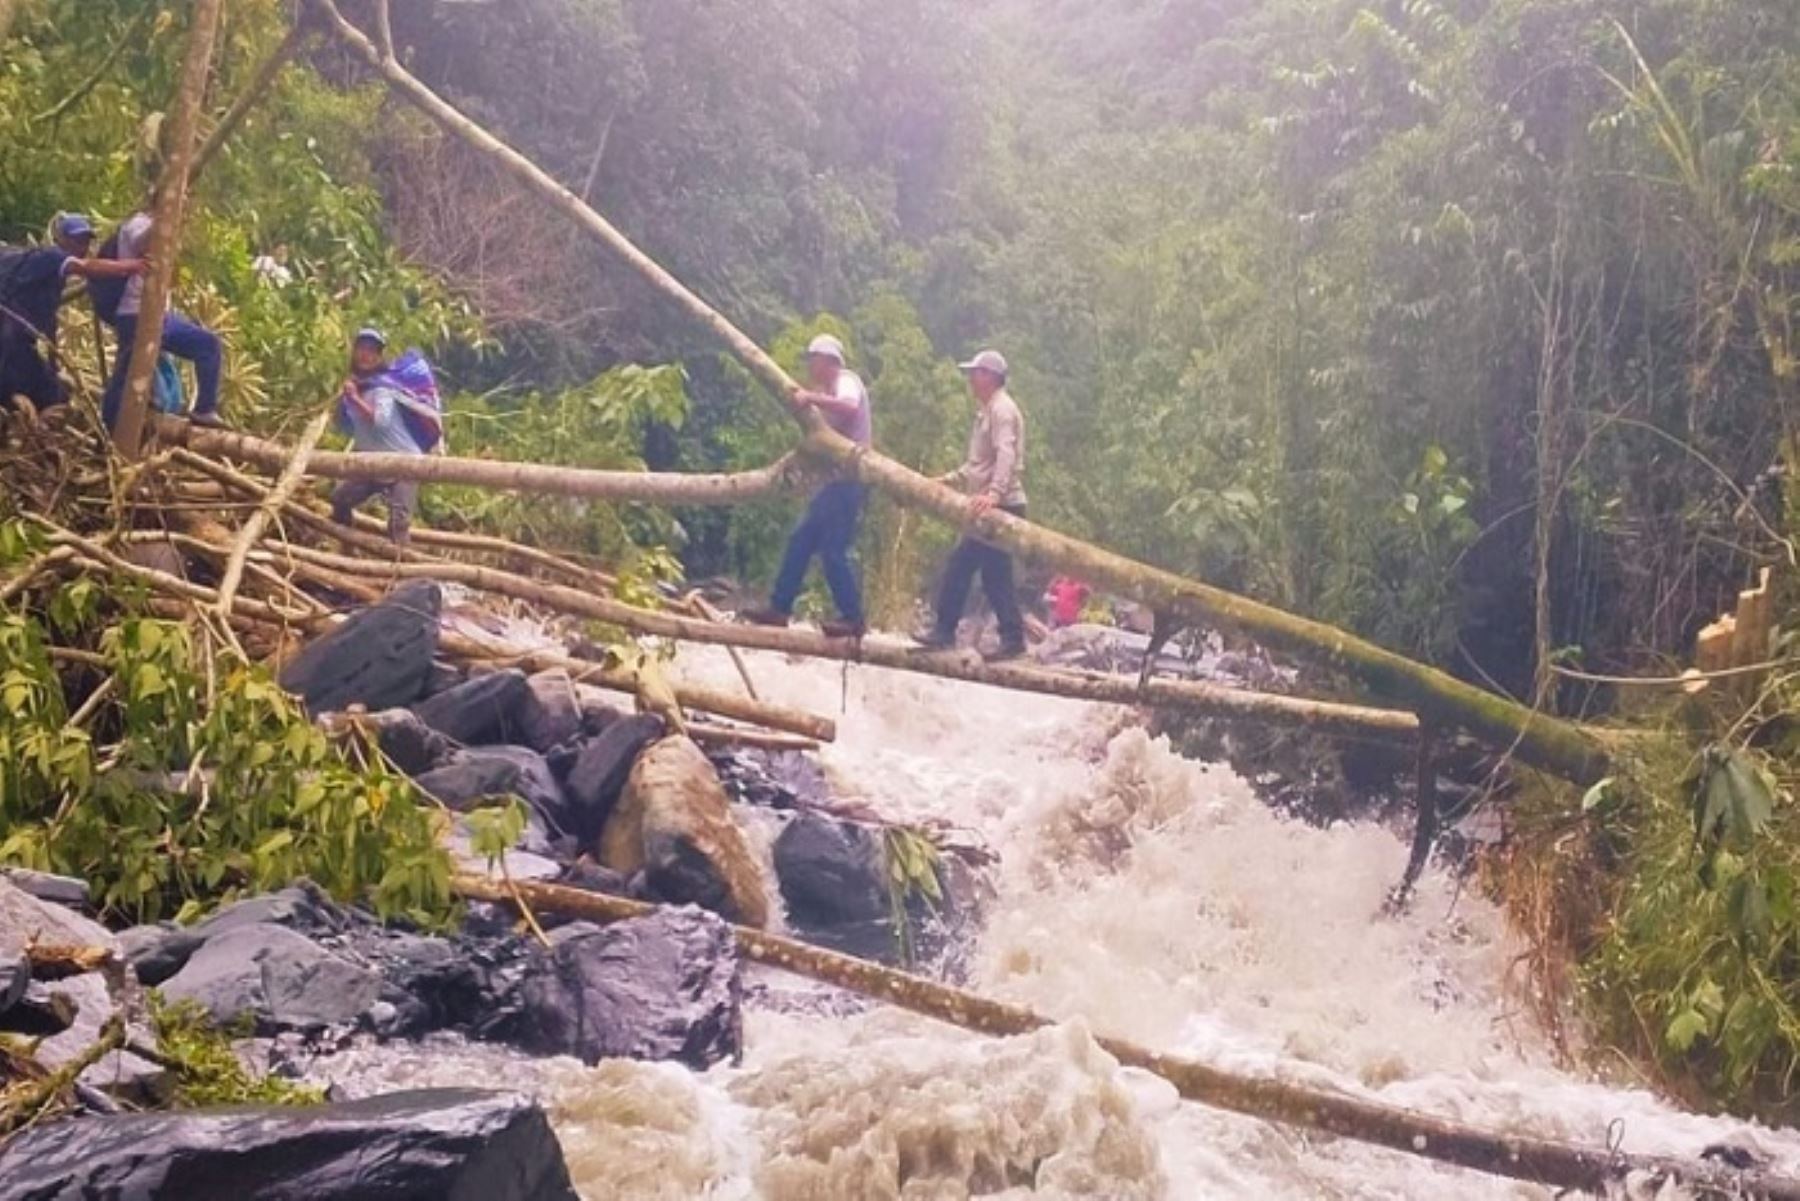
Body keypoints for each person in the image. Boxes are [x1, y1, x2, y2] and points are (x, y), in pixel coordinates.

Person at [742, 333, 871, 638]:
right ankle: (779, 607)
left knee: (833, 550)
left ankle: (853, 618)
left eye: (814, 360)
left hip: (849, 481)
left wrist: (811, 398)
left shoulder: (847, 381)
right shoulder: (826, 391)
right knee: (801, 540)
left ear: (829, 362)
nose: (811, 366)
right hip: (834, 482)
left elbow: (850, 407)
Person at [917, 349, 1029, 661]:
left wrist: (994, 494)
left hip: (999, 507)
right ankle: (1012, 637)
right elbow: (978, 464)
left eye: (976, 373)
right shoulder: (988, 410)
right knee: (995, 576)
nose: (971, 379)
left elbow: (1006, 455)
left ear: (991, 377)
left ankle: (944, 631)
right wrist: (949, 479)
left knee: (960, 566)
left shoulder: (1002, 410)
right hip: (994, 504)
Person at [0, 214, 146, 412]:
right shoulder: (53, 257)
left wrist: (54, 364)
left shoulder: (48, 275)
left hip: (16, 341)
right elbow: (86, 267)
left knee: (49, 390)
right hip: (9, 342)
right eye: (77, 240)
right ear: (62, 239)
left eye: (86, 241)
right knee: (44, 392)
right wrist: (134, 266)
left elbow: (48, 322)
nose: (82, 247)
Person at [98, 207, 225, 430]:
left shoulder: (163, 226)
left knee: (207, 345)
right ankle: (108, 430)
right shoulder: (138, 222)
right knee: (124, 376)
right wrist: (165, 219)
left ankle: (204, 409)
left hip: (158, 314)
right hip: (134, 312)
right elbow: (143, 241)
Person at [331, 328, 429, 547]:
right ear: (354, 352)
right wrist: (346, 400)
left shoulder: (383, 388)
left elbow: (380, 421)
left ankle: (402, 570)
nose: (366, 355)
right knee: (340, 499)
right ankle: (346, 552)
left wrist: (354, 398)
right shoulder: (356, 388)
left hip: (403, 463)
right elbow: (345, 425)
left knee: (398, 523)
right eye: (362, 349)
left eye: (372, 351)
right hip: (374, 464)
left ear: (379, 357)